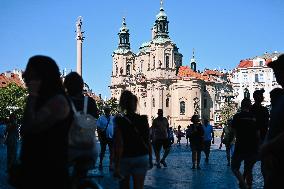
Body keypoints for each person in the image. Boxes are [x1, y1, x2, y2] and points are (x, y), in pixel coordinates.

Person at [20, 55, 72, 189]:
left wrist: (32, 95)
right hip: (36, 172)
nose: (24, 75)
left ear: (41, 76)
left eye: (29, 71)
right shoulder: (47, 99)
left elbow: (29, 127)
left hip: (49, 174)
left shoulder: (57, 101)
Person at [63, 71, 99, 188]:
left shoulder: (63, 101)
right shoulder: (91, 102)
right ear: (82, 86)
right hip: (90, 149)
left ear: (66, 86)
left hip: (69, 148)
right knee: (80, 175)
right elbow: (94, 119)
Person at [113, 90, 152, 189]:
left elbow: (119, 144)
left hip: (126, 157)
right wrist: (151, 158)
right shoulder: (144, 119)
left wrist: (116, 165)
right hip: (142, 156)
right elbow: (148, 140)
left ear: (123, 105)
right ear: (136, 104)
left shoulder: (119, 121)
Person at [260, 54, 284, 189]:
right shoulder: (281, 97)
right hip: (275, 161)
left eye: (278, 70)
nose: (275, 74)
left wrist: (268, 146)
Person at [231, 98, 259, 189]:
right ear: (249, 106)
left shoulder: (237, 116)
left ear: (241, 106)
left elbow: (234, 131)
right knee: (249, 168)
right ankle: (248, 185)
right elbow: (257, 132)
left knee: (234, 167)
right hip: (252, 146)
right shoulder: (253, 117)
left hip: (240, 145)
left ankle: (243, 184)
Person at [97, 106, 115, 171]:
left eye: (108, 111)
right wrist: (99, 136)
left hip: (111, 137)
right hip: (103, 137)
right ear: (104, 111)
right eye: (106, 111)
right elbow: (98, 128)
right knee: (103, 151)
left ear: (110, 111)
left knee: (112, 151)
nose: (107, 112)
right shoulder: (101, 118)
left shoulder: (113, 118)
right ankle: (100, 163)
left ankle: (111, 165)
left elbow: (115, 127)